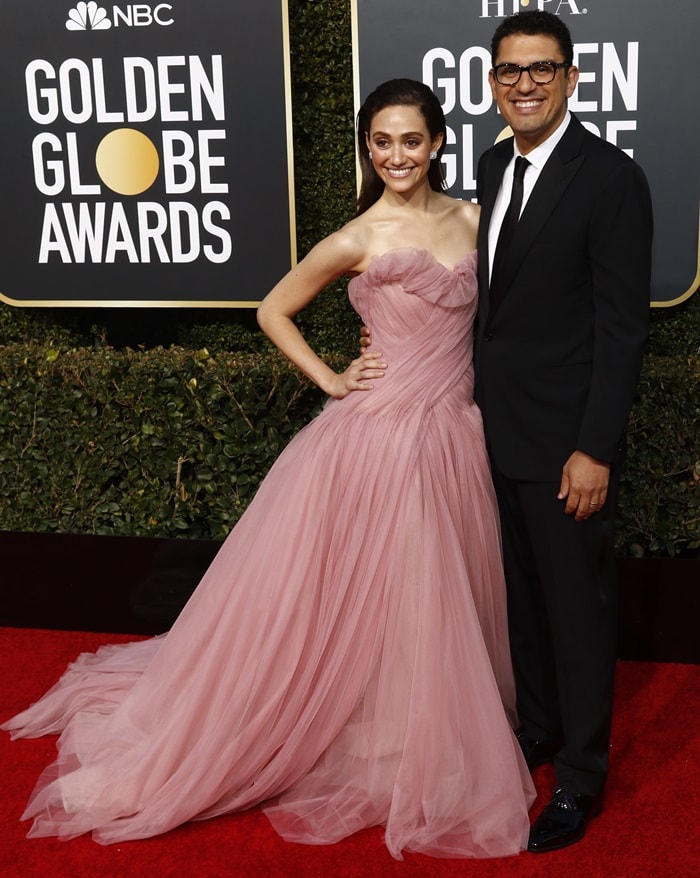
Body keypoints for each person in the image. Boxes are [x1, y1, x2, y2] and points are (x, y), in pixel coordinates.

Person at [2, 79, 535, 860]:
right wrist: (330, 377)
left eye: (411, 140)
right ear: (368, 149)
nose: (396, 156)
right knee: (387, 589)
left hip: (454, 432)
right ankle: (383, 740)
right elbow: (273, 308)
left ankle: (417, 730)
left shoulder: (477, 222)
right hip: (378, 438)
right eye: (381, 142)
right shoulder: (359, 234)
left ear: (440, 143)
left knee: (430, 594)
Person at [475, 11, 653, 852]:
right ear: (494, 82)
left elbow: (622, 330)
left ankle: (580, 775)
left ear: (573, 78)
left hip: (566, 446)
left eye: (542, 69)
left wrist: (596, 448)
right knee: (526, 607)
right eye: (510, 71)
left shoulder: (611, 179)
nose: (526, 84)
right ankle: (538, 729)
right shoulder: (489, 166)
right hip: (497, 434)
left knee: (578, 612)